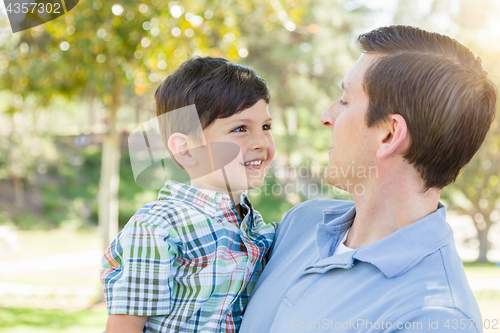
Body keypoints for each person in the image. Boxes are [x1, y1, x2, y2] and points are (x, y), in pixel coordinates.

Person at [239, 25, 497, 333]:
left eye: (345, 101)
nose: (326, 115)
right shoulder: (302, 223)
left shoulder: (434, 319)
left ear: (389, 134)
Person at [100, 57, 277, 333]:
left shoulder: (256, 227)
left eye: (266, 127)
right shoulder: (158, 226)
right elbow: (124, 329)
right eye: (240, 129)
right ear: (185, 149)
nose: (261, 142)